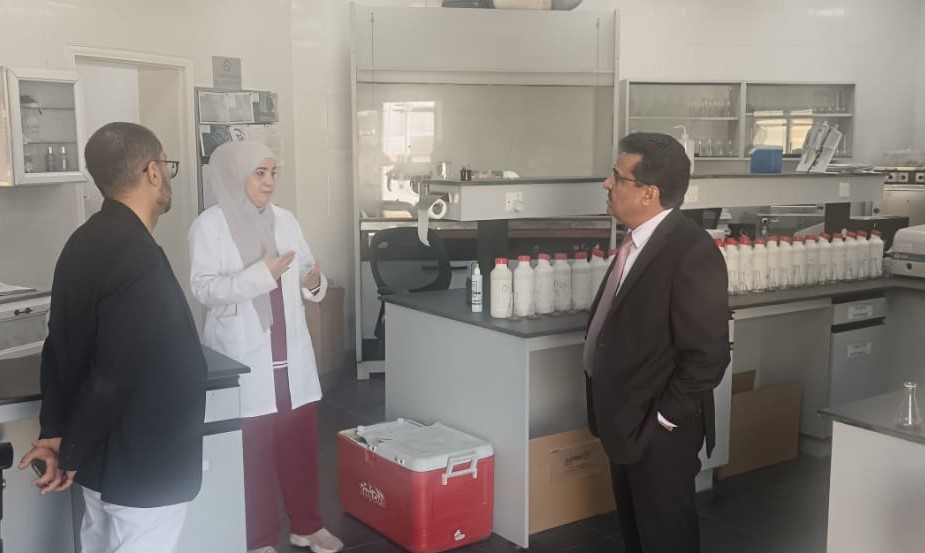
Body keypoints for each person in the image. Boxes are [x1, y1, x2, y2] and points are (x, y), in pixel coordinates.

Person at [17, 122, 207, 553]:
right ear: (153, 171)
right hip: (142, 465)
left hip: (107, 464)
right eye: (166, 165)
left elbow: (58, 349)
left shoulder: (82, 241)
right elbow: (113, 375)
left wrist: (57, 435)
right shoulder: (135, 255)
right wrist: (70, 450)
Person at [188, 141, 343, 553]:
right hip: (245, 354)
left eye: (273, 173)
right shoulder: (210, 225)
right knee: (252, 453)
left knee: (299, 444)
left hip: (289, 354)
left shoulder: (285, 220)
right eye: (260, 173)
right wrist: (261, 275)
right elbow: (204, 289)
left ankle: (307, 525)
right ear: (235, 174)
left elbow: (307, 271)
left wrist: (314, 283)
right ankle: (258, 539)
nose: (270, 182)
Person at [583, 132, 730, 553]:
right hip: (626, 420)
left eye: (617, 177)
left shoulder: (691, 250)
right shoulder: (636, 241)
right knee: (638, 533)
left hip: (659, 428)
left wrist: (663, 421)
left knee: (665, 537)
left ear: (649, 193)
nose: (607, 184)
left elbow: (708, 356)